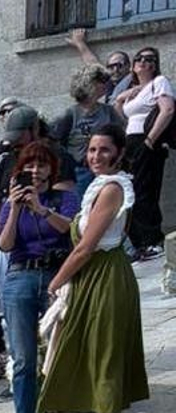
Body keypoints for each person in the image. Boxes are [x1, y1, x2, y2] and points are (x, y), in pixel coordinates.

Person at [41, 127, 149, 413]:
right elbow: (75, 231)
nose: (96, 156)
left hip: (106, 276)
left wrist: (55, 281)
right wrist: (40, 210)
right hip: (93, 276)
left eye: (104, 150)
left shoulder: (114, 188)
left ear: (119, 152)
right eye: (91, 150)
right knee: (94, 352)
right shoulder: (100, 186)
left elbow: (86, 247)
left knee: (105, 354)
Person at [0, 142, 79, 413]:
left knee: (67, 346)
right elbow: (5, 245)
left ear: (51, 170)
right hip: (21, 275)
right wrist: (16, 207)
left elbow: (71, 230)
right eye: (29, 165)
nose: (35, 171)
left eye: (41, 165)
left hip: (58, 274)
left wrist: (41, 209)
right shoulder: (10, 205)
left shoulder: (64, 198)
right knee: (23, 355)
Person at [115, 47, 174, 261]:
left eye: (150, 59)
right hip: (131, 142)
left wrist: (150, 140)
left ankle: (152, 240)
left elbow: (167, 110)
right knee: (131, 190)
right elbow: (122, 116)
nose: (143, 62)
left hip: (147, 140)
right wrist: (121, 98)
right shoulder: (134, 90)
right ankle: (141, 242)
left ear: (155, 65)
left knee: (144, 190)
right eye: (139, 58)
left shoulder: (159, 82)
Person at [51, 64, 121, 195]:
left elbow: (120, 136)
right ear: (88, 83)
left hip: (105, 169)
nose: (105, 84)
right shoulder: (70, 114)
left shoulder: (108, 111)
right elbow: (55, 142)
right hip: (79, 170)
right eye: (100, 81)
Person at [67, 29, 134, 104]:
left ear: (128, 65)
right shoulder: (110, 83)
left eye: (119, 65)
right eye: (111, 67)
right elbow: (93, 64)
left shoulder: (134, 79)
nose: (115, 70)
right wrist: (80, 43)